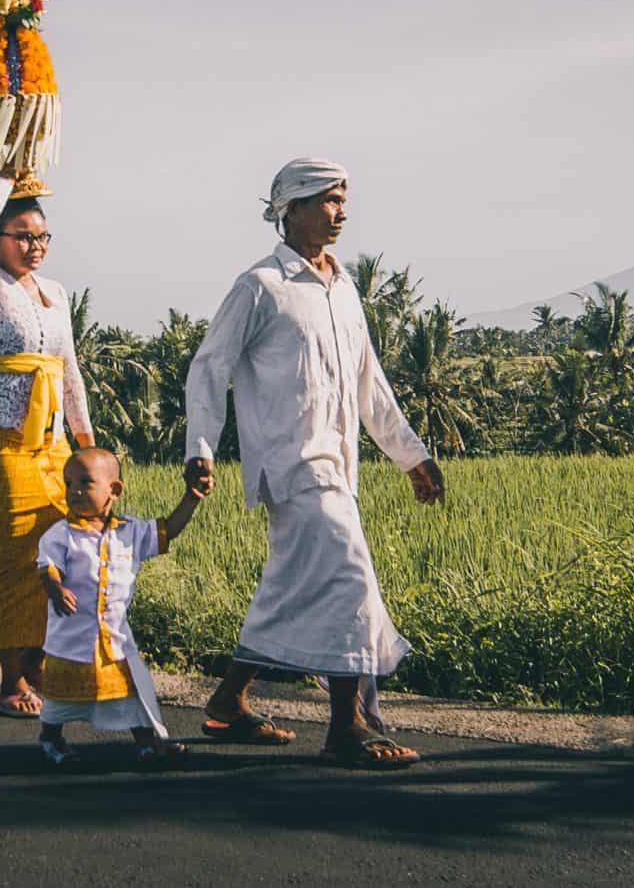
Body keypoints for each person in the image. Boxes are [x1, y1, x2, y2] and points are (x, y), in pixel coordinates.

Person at [183, 157, 447, 770]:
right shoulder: (260, 287)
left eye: (342, 199)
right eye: (329, 199)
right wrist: (200, 447)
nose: (340, 211)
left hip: (339, 466)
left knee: (294, 590)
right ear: (292, 208)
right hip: (291, 465)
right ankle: (346, 729)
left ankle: (226, 703)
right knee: (350, 578)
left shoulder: (343, 289)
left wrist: (411, 455)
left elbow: (368, 384)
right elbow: (210, 366)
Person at [0, 171, 95, 717]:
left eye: (41, 237)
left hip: (52, 442)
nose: (34, 247)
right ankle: (11, 676)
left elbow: (69, 371)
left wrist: (85, 441)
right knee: (15, 555)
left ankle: (40, 660)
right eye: (22, 236)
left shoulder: (56, 294)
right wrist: (6, 176)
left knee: (58, 549)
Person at [35, 447, 210, 765]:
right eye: (69, 482)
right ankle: (50, 738)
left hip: (114, 637)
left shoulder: (130, 531)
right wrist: (56, 587)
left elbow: (167, 530)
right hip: (71, 638)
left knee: (131, 693)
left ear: (113, 490)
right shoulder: (61, 535)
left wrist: (192, 498)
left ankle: (148, 742)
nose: (74, 491)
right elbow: (47, 567)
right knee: (59, 699)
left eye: (85, 483)